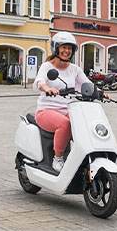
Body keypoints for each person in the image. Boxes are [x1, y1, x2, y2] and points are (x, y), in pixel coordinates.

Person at [33, 32, 88, 173]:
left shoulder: (75, 69)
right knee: (65, 124)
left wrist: (100, 92)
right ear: (56, 48)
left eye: (70, 48)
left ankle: (80, 157)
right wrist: (47, 88)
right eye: (64, 47)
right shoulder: (47, 67)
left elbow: (87, 84)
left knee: (83, 122)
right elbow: (40, 82)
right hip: (46, 111)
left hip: (69, 110)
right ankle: (58, 158)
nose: (67, 51)